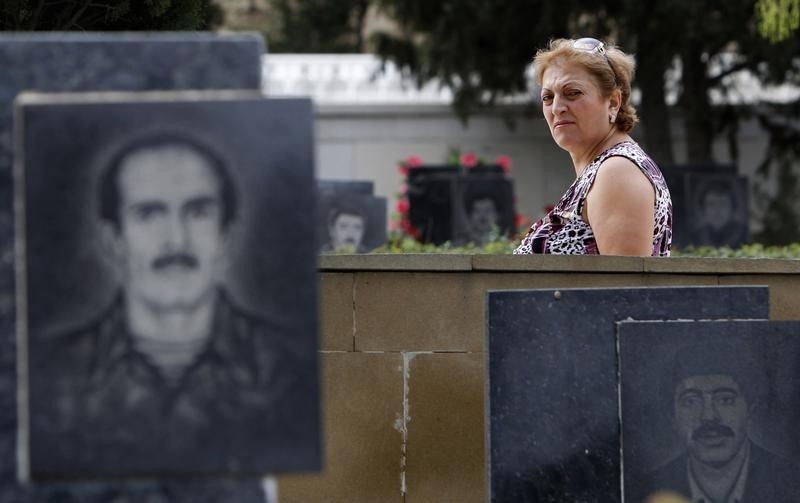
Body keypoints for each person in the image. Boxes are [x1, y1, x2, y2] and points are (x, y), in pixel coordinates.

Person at [28, 133, 313, 482]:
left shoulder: (287, 367)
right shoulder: (55, 374)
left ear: (225, 236)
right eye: (149, 214)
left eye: (198, 212)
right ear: (113, 240)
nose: (176, 240)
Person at [513, 38, 672, 256]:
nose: (557, 107)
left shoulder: (617, 172)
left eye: (573, 93)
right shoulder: (605, 169)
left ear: (614, 102)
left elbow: (627, 287)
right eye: (548, 97)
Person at [628, 341, 800, 503]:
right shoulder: (640, 492)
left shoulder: (794, 482)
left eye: (725, 399)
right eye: (691, 401)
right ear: (671, 417)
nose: (709, 416)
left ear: (751, 410)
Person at [691, 178, 748, 248]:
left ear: (733, 208)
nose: (717, 210)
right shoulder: (695, 235)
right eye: (711, 204)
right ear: (703, 208)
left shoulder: (743, 234)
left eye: (723, 204)